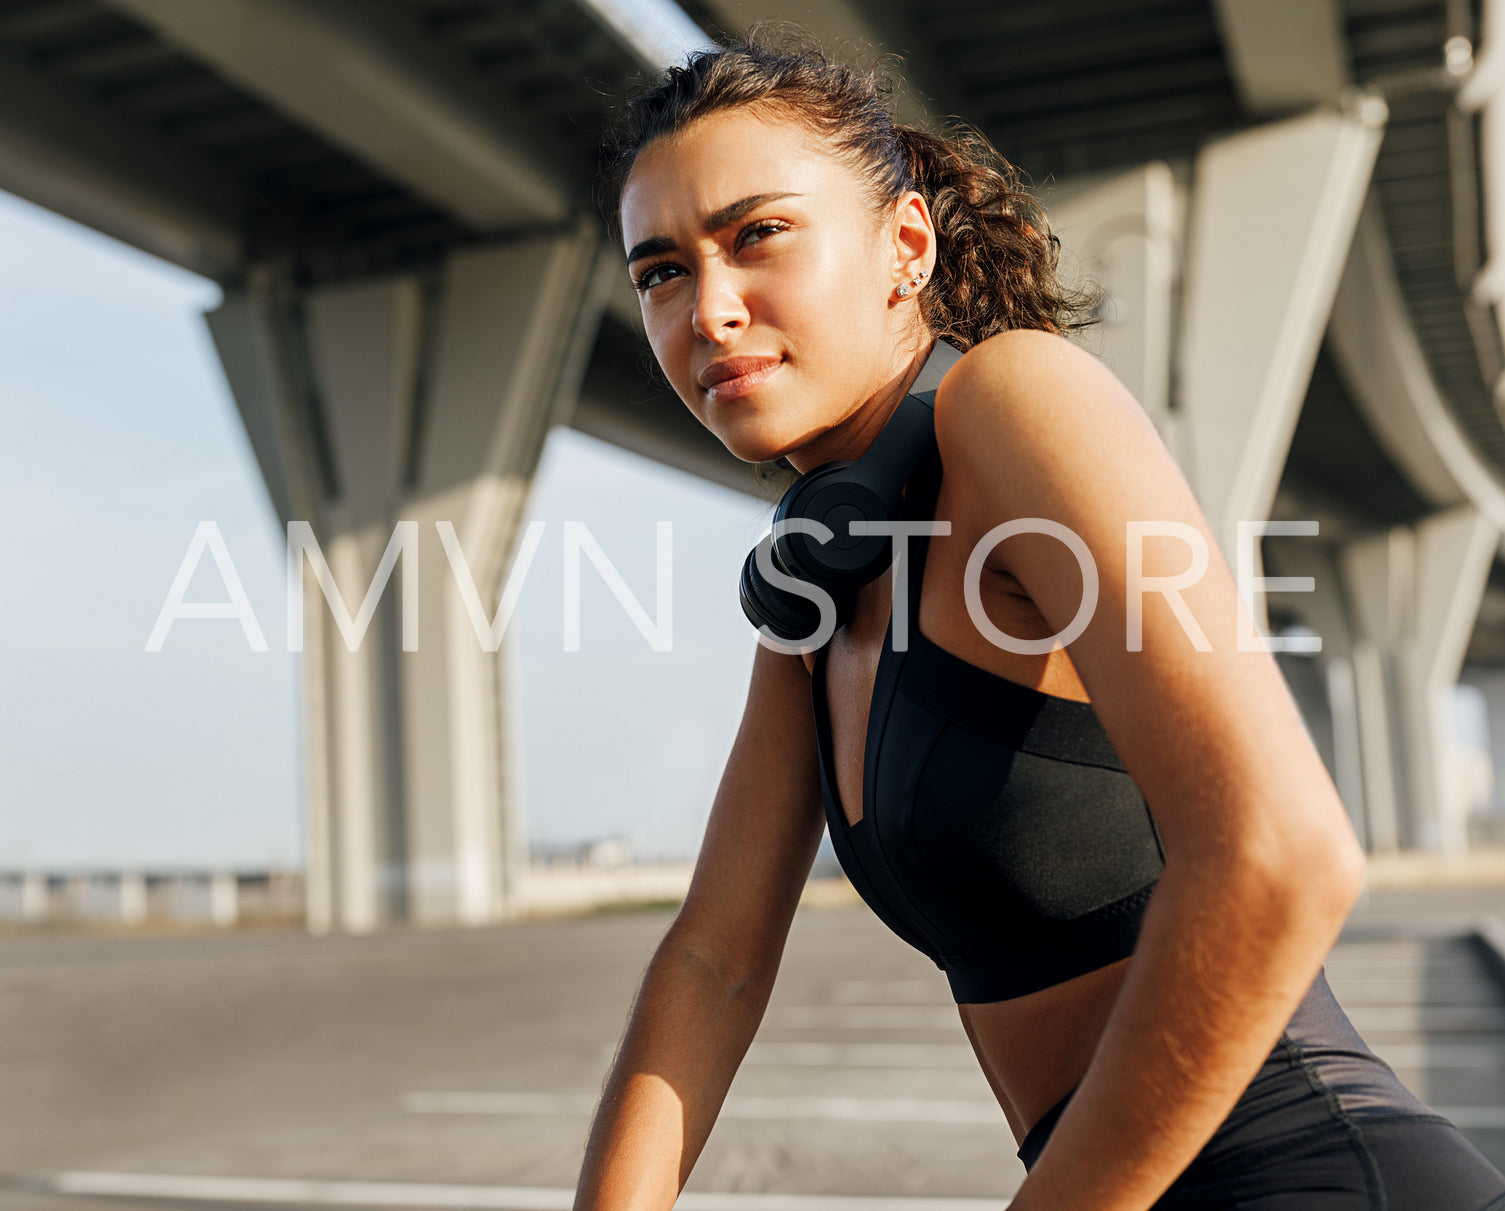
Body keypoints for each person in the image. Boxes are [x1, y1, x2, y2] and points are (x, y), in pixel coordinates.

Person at [574, 25, 1505, 1211]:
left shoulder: (1015, 399)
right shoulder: (819, 569)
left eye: (756, 235)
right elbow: (713, 957)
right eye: (660, 270)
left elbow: (1281, 856)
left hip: (1310, 1174)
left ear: (904, 243)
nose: (707, 309)